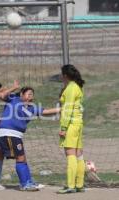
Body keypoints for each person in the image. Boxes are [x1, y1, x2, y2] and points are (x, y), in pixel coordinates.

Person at [0, 83, 60, 191]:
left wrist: (62, 109)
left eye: (32, 94)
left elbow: (45, 112)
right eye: (29, 94)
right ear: (21, 94)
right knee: (20, 159)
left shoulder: (31, 108)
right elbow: (1, 95)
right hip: (8, 132)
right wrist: (14, 87)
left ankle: (29, 181)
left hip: (15, 134)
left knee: (23, 159)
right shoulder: (14, 99)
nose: (31, 96)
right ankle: (24, 184)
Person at [57, 64, 85, 194]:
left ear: (65, 75)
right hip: (78, 123)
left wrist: (63, 127)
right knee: (78, 154)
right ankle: (79, 184)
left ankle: (71, 185)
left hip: (71, 125)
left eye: (61, 74)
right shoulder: (76, 87)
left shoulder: (71, 88)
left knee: (70, 154)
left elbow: (67, 109)